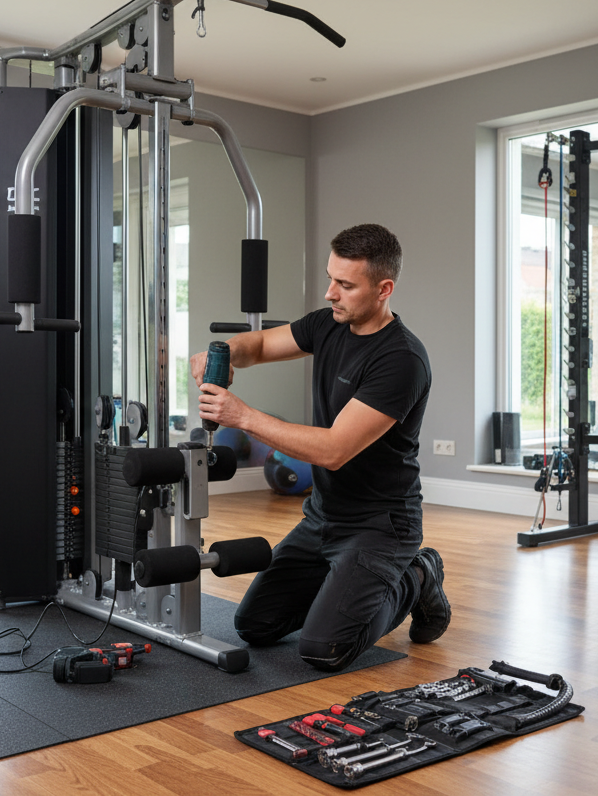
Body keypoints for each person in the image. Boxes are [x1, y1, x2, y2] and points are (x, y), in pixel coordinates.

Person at [192, 223, 450, 671]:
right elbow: (259, 345)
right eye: (331, 278)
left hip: (379, 526)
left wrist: (243, 416)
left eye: (346, 285)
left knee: (323, 649)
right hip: (322, 518)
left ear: (384, 289)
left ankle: (419, 575)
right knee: (254, 626)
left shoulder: (401, 360)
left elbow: (334, 450)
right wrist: (225, 352)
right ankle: (345, 588)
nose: (331, 293)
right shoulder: (327, 324)